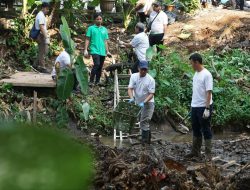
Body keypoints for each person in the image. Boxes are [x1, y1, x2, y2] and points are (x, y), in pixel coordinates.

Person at [185, 53, 213, 161]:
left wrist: (207, 108)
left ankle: (208, 154)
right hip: (195, 105)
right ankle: (195, 151)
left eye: (191, 63)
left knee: (205, 129)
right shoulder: (196, 74)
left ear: (196, 62)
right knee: (195, 128)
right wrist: (192, 105)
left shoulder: (207, 74)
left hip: (203, 106)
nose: (191, 65)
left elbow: (209, 92)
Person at [128, 61, 155, 144]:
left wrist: (144, 102)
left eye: (145, 70)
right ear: (138, 68)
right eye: (142, 69)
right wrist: (132, 98)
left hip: (148, 102)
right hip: (138, 101)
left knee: (144, 121)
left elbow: (151, 94)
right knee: (142, 120)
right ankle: (148, 139)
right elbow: (130, 88)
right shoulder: (133, 76)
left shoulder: (150, 79)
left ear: (147, 70)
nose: (143, 71)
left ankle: (144, 142)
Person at [84, 13, 111, 86]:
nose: (99, 20)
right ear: (94, 20)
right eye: (97, 19)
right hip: (94, 49)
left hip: (102, 51)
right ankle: (91, 81)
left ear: (102, 20)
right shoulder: (91, 28)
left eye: (100, 19)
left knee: (100, 66)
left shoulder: (104, 29)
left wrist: (107, 51)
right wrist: (85, 49)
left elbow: (105, 41)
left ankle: (97, 81)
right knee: (97, 64)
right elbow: (87, 39)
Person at [34, 2, 50, 73]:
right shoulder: (40, 15)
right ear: (43, 8)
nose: (47, 10)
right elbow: (41, 27)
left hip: (41, 35)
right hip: (40, 35)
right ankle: (42, 67)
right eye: (47, 9)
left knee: (43, 50)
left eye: (48, 9)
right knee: (43, 51)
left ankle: (35, 64)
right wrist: (46, 37)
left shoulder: (41, 15)